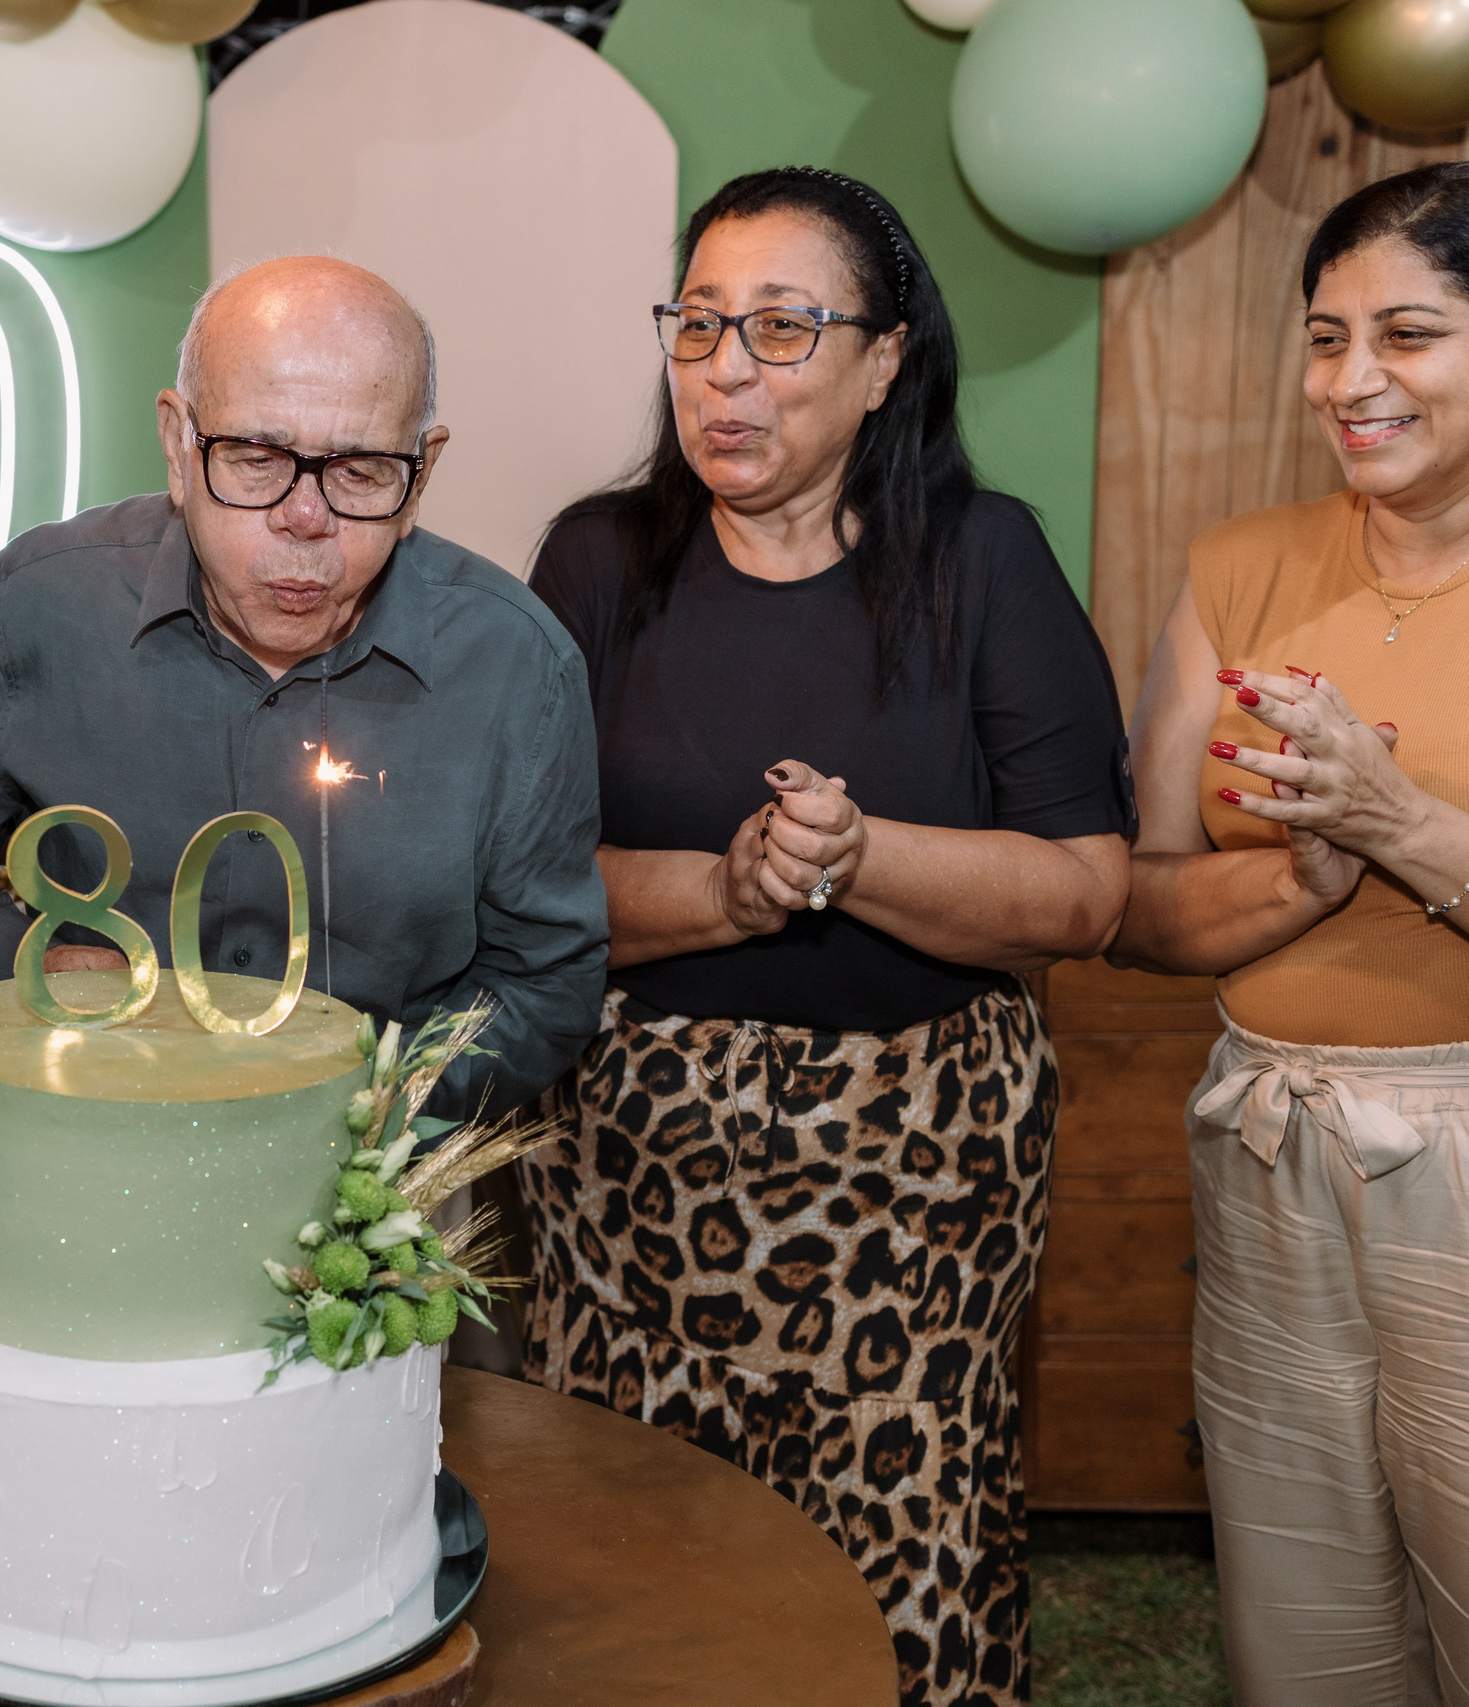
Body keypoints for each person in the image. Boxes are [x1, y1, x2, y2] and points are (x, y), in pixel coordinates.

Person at [519, 167, 1133, 1707]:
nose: (725, 369)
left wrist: (860, 856)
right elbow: (524, 883)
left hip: (918, 1176)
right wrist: (727, 891)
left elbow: (1085, 890)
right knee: (637, 1560)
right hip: (635, 1173)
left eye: (782, 328)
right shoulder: (596, 561)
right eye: (699, 323)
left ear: (884, 363)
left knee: (900, 1549)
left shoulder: (985, 561)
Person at [0, 256, 605, 1118]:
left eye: (360, 473)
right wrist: (30, 967)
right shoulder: (45, 607)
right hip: (84, 1135)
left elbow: (546, 978)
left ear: (419, 477)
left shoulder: (517, 668)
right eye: (256, 460)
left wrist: (368, 1102)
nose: (305, 519)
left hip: (363, 1173)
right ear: (178, 445)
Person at [1112, 163, 1469, 1707]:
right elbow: (1141, 901)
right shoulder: (1239, 566)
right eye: (1327, 338)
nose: (1352, 378)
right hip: (1266, 1133)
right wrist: (1306, 880)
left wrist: (1395, 819)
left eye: (1408, 333)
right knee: (1300, 1594)